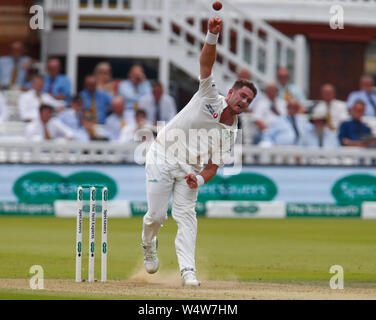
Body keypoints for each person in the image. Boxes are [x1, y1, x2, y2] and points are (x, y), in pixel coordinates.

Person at [141, 17, 257, 286]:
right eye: (242, 96)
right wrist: (211, 35)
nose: (244, 102)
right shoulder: (209, 95)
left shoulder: (231, 132)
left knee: (187, 217)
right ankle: (148, 244)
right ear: (231, 92)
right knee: (157, 215)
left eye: (249, 101)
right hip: (162, 156)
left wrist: (200, 179)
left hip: (189, 170)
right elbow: (206, 64)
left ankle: (187, 271)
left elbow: (213, 166)